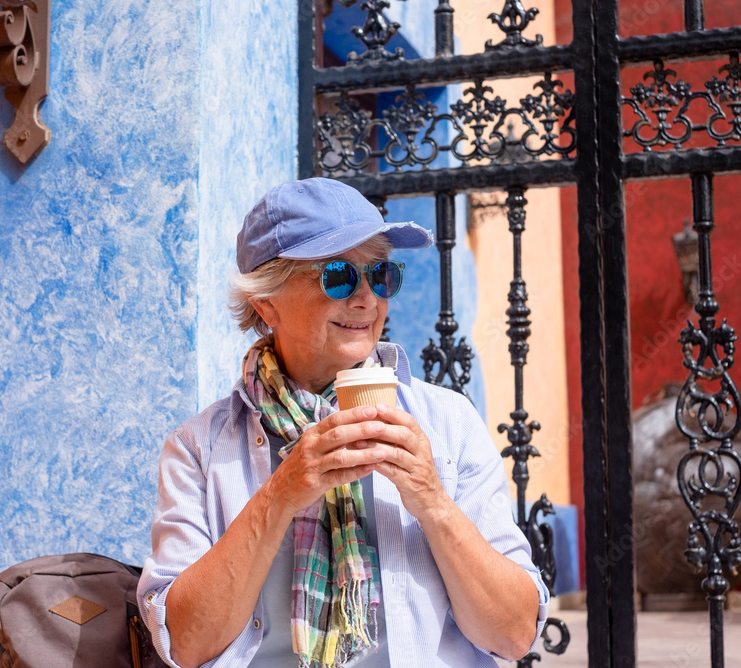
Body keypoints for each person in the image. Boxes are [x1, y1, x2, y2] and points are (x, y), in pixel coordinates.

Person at [137, 178, 549, 668]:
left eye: (381, 276)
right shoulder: (198, 449)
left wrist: (433, 503)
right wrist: (281, 493)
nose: (367, 300)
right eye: (338, 276)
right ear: (265, 303)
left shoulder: (448, 423)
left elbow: (514, 634)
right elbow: (184, 644)